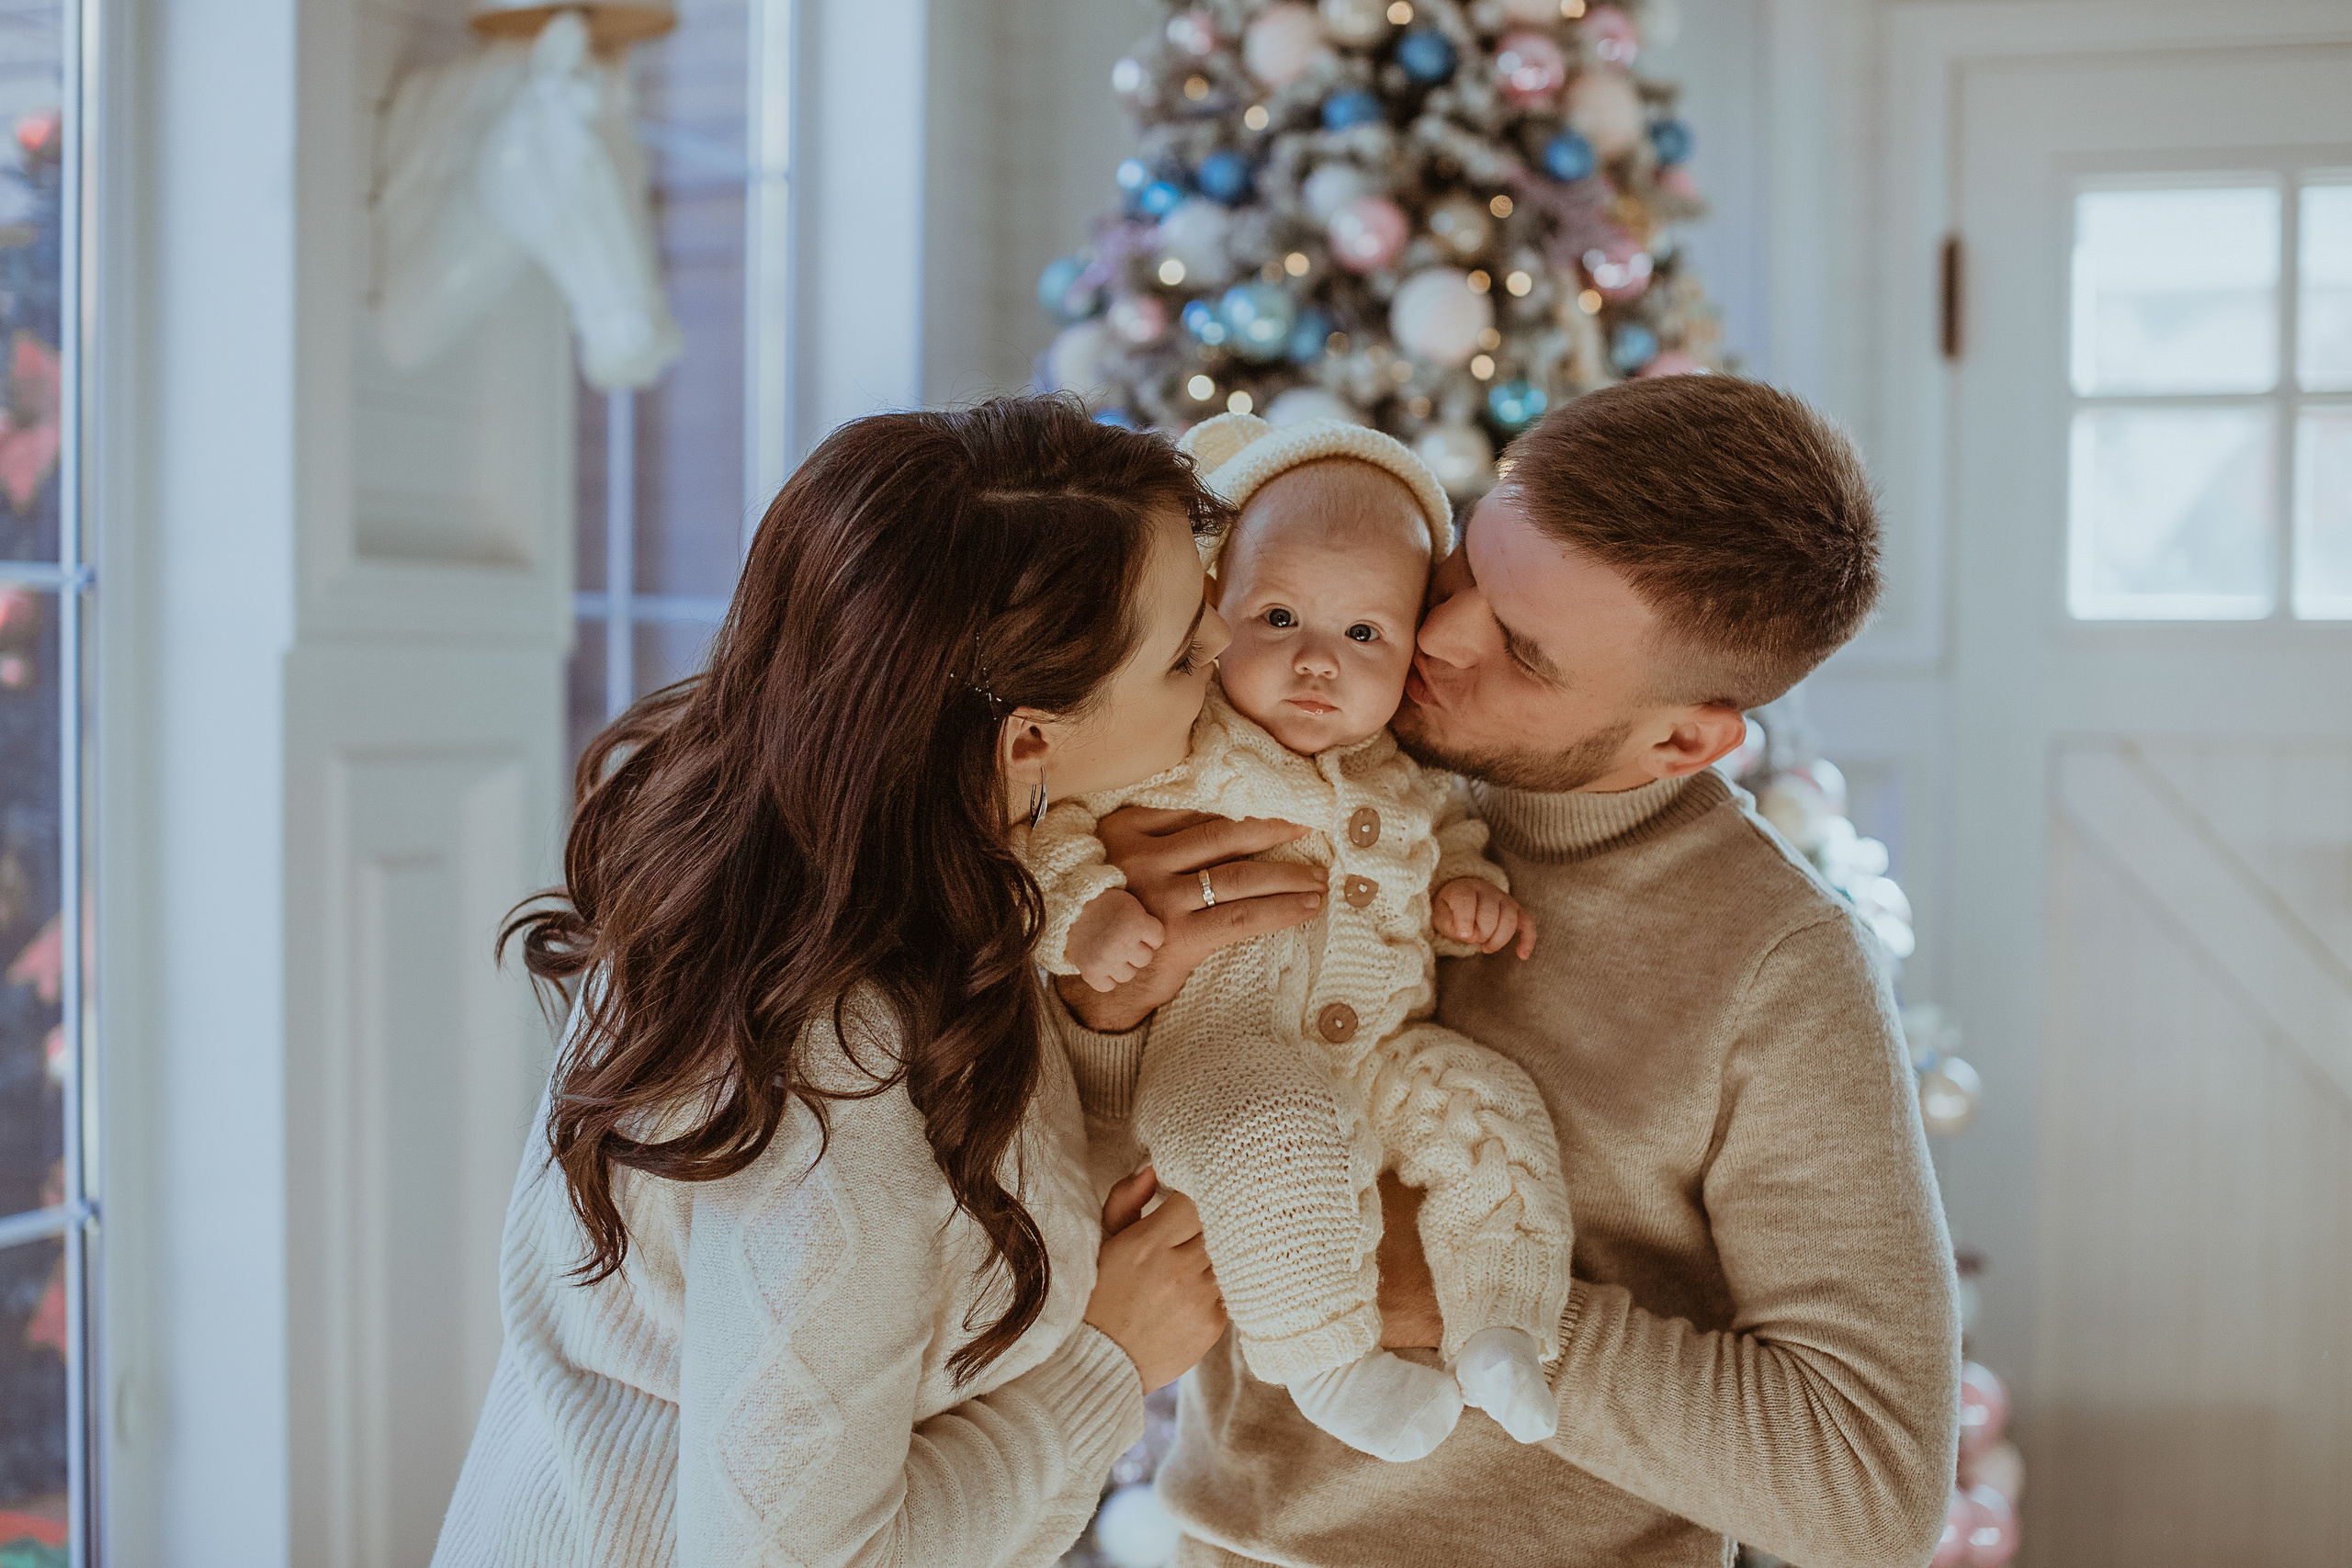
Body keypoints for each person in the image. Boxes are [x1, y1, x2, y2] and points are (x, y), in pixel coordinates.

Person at [1056, 376, 1963, 1568]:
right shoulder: (1252, 756)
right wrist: (1106, 1013)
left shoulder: (1777, 967)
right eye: (1470, 561)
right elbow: (1063, 1188)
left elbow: (1871, 1486)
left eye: (1523, 652)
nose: (1437, 633)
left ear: (1683, 738)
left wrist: (1455, 1294)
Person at [429, 397, 1319, 1568]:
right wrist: (1110, 1364)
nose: (1222, 671)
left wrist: (1103, 1031)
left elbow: (962, 1223)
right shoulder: (838, 1069)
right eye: (1182, 657)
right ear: (1030, 741)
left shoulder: (864, 876)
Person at [1022, 415, 1571, 1464]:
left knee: (1491, 1112)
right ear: (1214, 612)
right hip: (1215, 1061)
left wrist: (1468, 891)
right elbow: (1055, 831)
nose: (1318, 663)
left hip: (1376, 1054)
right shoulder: (1175, 745)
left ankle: (1503, 1327)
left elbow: (1448, 842)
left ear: (1413, 649)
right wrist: (1089, 915)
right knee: (1273, 1136)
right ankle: (1323, 1360)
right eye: (1279, 617)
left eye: (1365, 634)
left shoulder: (1408, 774)